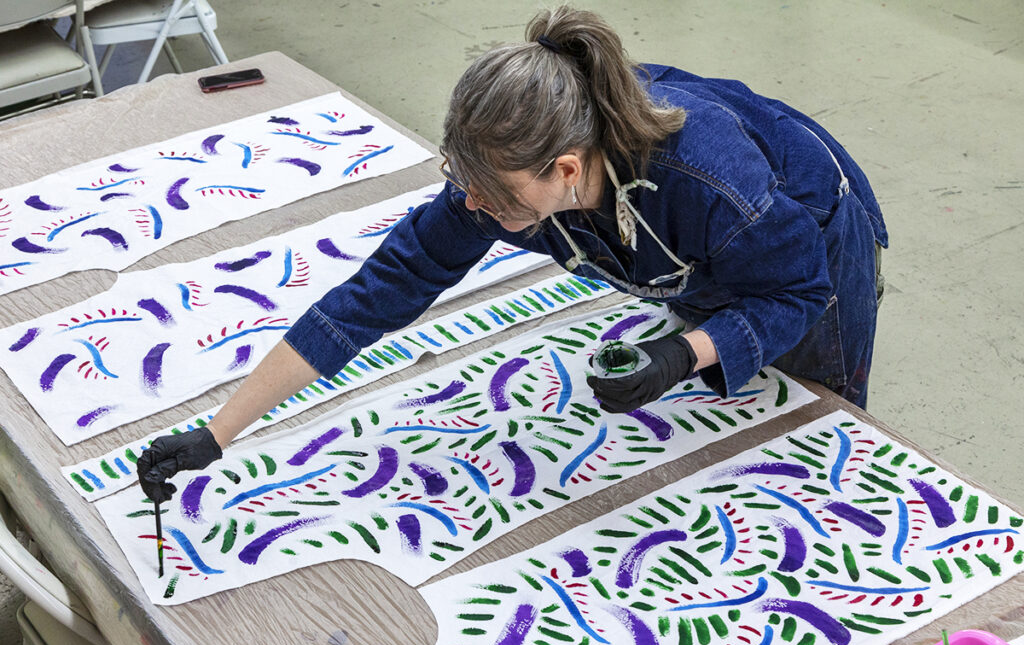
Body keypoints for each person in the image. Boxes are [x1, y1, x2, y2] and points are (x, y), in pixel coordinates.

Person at [138, 6, 887, 502]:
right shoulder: (498, 177)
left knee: (809, 432)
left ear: (566, 169)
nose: (473, 207)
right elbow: (374, 295)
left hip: (812, 242)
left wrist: (680, 353)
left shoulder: (709, 182)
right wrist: (216, 432)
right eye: (463, 182)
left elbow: (790, 294)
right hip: (698, 247)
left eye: (492, 195)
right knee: (719, 402)